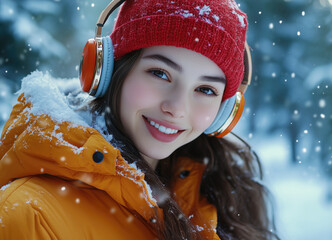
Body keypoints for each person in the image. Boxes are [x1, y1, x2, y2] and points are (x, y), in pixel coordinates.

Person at [0, 0, 278, 239]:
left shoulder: (218, 194)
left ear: (225, 111)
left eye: (206, 90)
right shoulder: (29, 214)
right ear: (108, 70)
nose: (177, 108)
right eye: (160, 73)